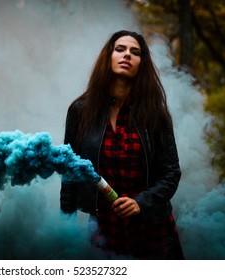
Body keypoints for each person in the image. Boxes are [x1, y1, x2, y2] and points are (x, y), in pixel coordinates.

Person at [60, 30, 184, 259]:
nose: (127, 55)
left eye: (135, 52)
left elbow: (171, 172)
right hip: (103, 228)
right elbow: (70, 171)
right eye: (120, 49)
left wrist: (141, 203)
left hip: (152, 226)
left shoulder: (156, 114)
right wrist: (63, 228)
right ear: (108, 56)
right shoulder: (80, 111)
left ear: (141, 64)